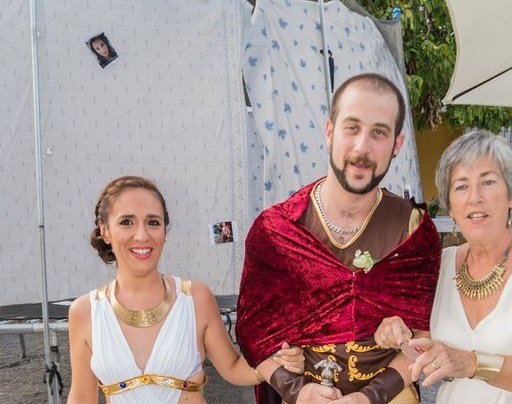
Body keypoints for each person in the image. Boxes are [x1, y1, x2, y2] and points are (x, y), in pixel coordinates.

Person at [236, 73, 441, 404]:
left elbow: (422, 334)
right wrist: (297, 391)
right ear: (330, 131)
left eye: (379, 132)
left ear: (396, 145)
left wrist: (369, 397)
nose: (362, 148)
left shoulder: (414, 231)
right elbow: (253, 333)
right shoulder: (275, 231)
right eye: (352, 127)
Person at [374, 130, 512, 403]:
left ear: (511, 195)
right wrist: (395, 332)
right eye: (461, 186)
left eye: (488, 182)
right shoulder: (440, 265)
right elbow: (423, 353)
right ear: (450, 207)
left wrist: (471, 363)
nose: (475, 197)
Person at [67, 175, 304, 404]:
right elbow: (81, 398)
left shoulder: (196, 298)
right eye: (126, 222)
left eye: (153, 222)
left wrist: (277, 361)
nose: (142, 235)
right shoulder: (84, 311)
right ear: (104, 230)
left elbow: (233, 368)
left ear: (165, 231)